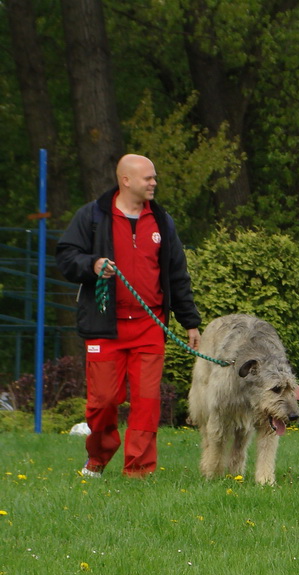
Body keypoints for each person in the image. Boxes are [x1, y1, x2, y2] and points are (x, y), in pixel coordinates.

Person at [55, 154, 201, 478]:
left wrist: (189, 321)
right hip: (104, 324)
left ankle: (138, 472)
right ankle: (98, 458)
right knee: (104, 401)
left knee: (147, 402)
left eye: (154, 177)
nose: (154, 182)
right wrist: (91, 265)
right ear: (126, 180)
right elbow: (66, 256)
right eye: (148, 178)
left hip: (150, 325)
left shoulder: (162, 221)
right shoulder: (92, 215)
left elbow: (178, 273)